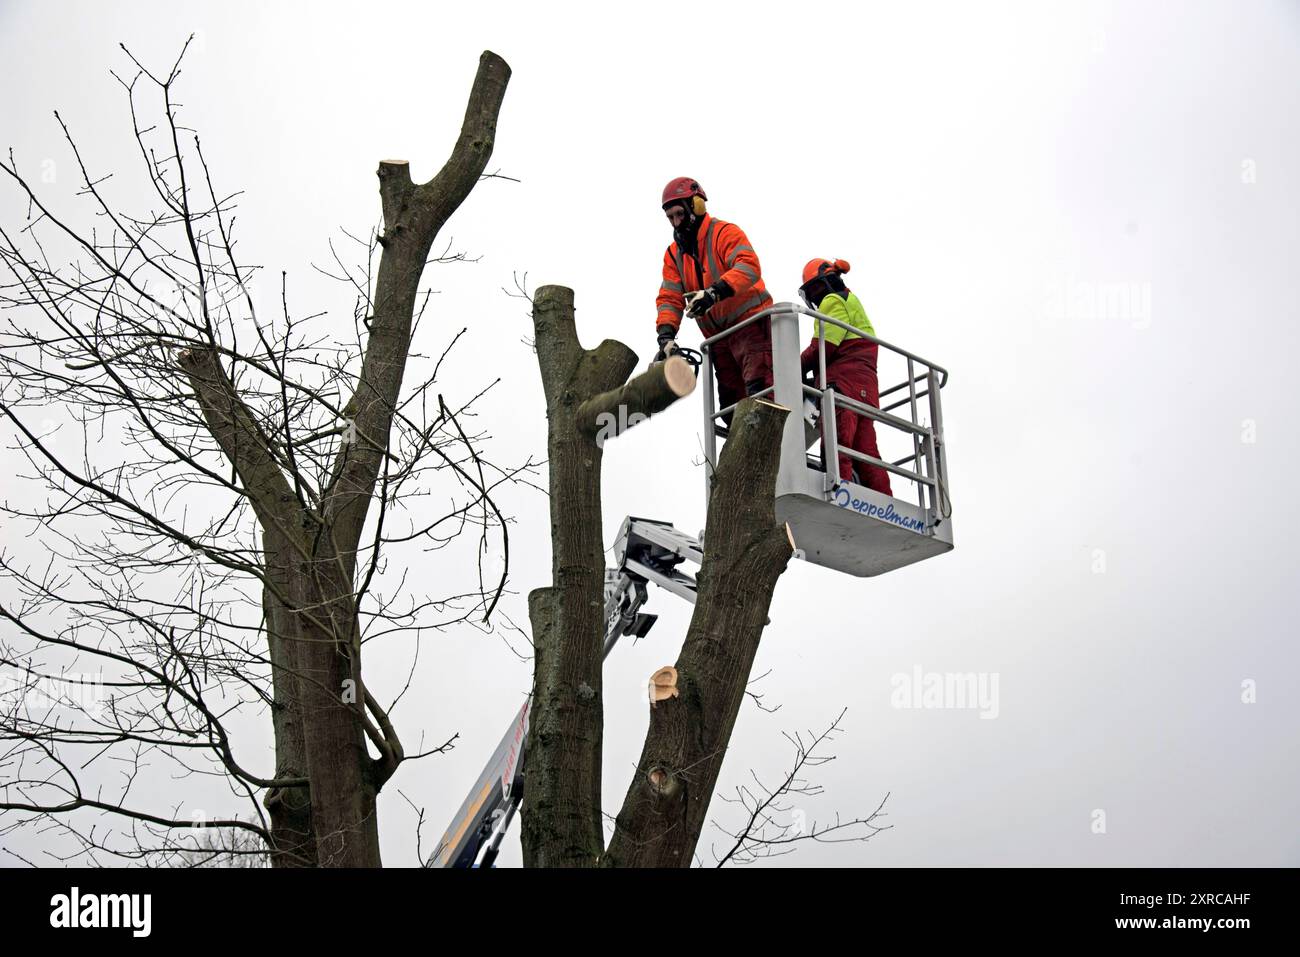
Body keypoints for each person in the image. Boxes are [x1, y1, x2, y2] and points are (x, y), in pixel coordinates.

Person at [653, 177, 773, 416]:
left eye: (679, 214)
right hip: (719, 340)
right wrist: (666, 337)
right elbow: (669, 297)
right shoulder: (674, 254)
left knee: (761, 396)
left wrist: (714, 293)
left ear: (696, 207)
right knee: (730, 410)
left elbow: (749, 266)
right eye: (670, 218)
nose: (676, 223)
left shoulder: (724, 233)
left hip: (751, 327)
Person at [798, 258, 893, 496]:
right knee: (866, 451)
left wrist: (793, 365)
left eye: (816, 290)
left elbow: (824, 346)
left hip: (844, 384)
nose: (817, 297)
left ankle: (841, 491)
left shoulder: (833, 301)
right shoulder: (852, 301)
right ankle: (882, 499)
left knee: (838, 440)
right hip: (864, 387)